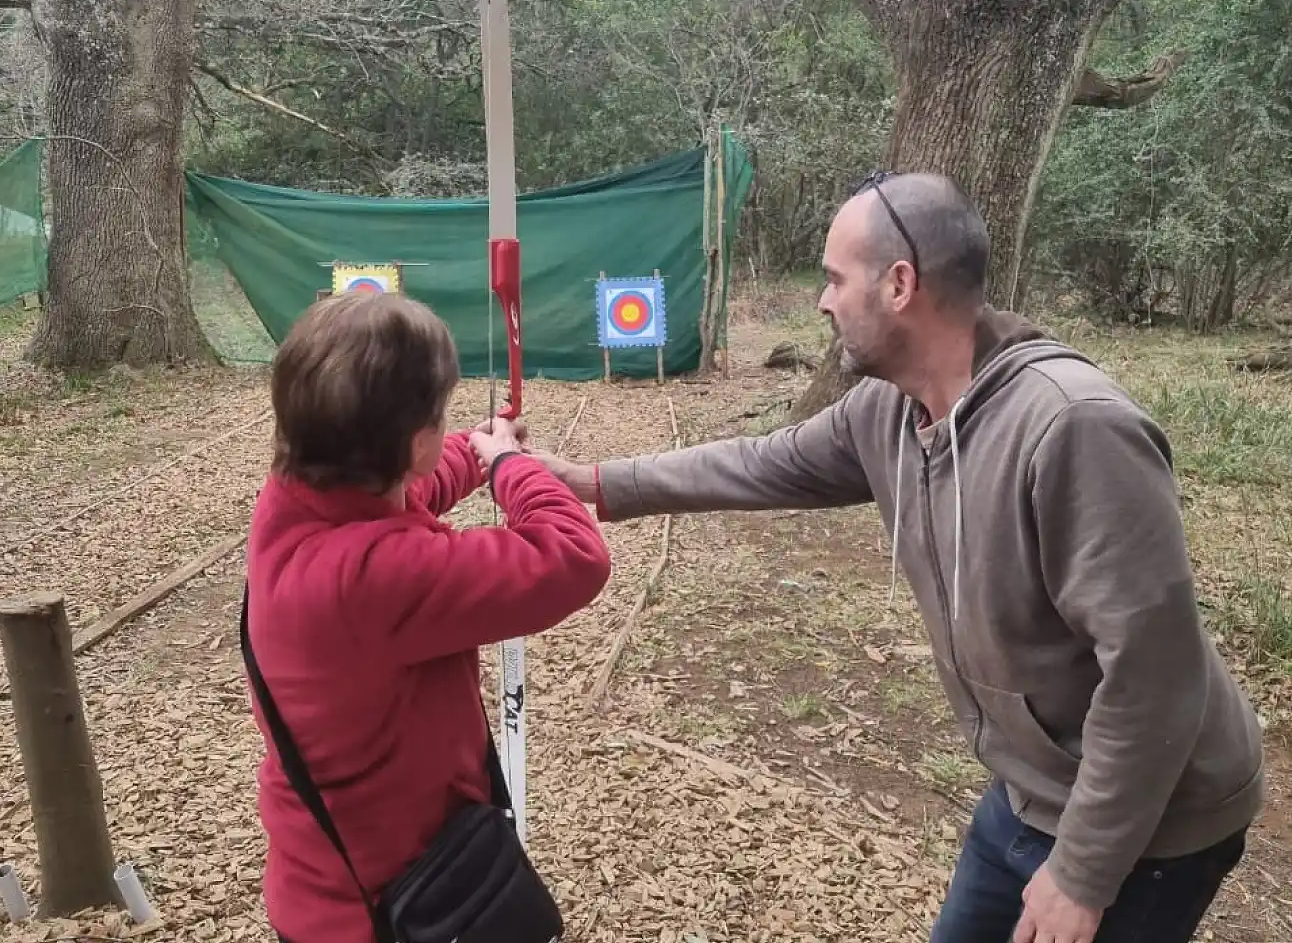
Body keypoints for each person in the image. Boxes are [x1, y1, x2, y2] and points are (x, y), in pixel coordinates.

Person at [532, 172, 1264, 943]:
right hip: (1027, 790)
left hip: (1150, 827)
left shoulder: (1074, 428)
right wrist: (589, 483)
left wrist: (1083, 875)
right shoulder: (888, 407)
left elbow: (1155, 677)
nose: (821, 300)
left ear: (899, 284)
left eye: (834, 278)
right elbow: (758, 463)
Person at [243, 292, 612, 943]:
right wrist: (512, 468)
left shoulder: (297, 497)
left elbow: (403, 490)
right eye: (440, 419)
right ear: (415, 443)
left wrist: (474, 448)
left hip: (328, 883)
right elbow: (574, 556)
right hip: (385, 910)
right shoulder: (374, 578)